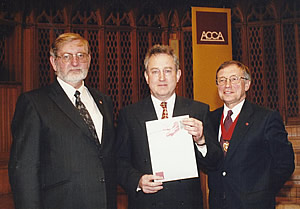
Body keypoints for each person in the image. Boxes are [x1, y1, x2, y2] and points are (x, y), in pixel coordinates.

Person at [8, 33, 117, 209]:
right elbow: (24, 170)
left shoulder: (104, 101)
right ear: (54, 62)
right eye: (67, 56)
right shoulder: (34, 103)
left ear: (89, 59)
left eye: (80, 55)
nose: (75, 62)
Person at [116, 44, 223, 209]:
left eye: (167, 71)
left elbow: (214, 163)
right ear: (146, 77)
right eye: (155, 71)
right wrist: (137, 180)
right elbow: (119, 161)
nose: (162, 78)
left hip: (187, 203)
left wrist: (201, 141)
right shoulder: (129, 115)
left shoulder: (198, 110)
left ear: (178, 74)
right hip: (146, 203)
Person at [208, 60, 295, 209]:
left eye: (234, 79)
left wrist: (262, 192)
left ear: (247, 84)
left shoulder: (266, 118)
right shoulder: (210, 119)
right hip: (218, 203)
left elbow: (285, 164)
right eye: (222, 80)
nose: (227, 85)